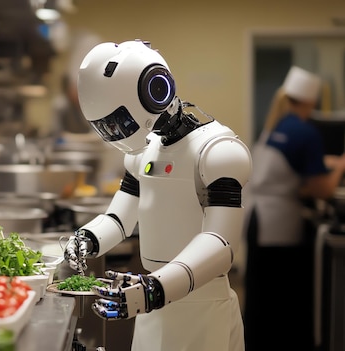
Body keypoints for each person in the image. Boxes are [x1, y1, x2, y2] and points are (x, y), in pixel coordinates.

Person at [63, 39, 251, 351]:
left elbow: (221, 243)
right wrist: (88, 238)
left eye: (118, 123)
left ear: (154, 91)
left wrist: (155, 289)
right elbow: (119, 218)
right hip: (152, 300)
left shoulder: (219, 152)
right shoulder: (144, 151)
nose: (116, 135)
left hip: (201, 306)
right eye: (105, 127)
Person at [243, 66, 345, 351]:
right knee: (279, 296)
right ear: (312, 102)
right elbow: (322, 190)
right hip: (278, 226)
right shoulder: (305, 132)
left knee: (260, 293)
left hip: (256, 219)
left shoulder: (276, 125)